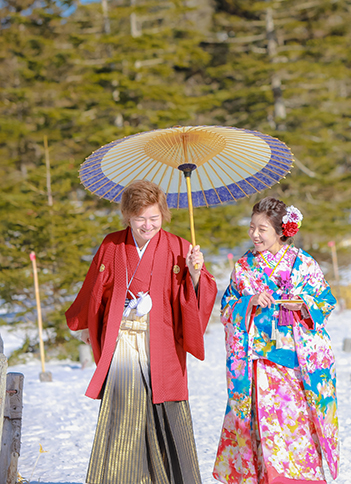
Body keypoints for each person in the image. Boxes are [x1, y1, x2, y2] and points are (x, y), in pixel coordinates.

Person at [66, 179, 218, 484]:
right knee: (124, 411)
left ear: (163, 214)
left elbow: (198, 297)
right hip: (124, 340)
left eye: (154, 218)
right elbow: (95, 291)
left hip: (161, 342)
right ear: (127, 216)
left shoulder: (180, 247)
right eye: (140, 219)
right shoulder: (112, 245)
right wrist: (87, 322)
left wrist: (196, 273)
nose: (147, 226)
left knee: (167, 409)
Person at [213, 197, 338, 484]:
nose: (254, 235)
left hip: (294, 363)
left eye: (262, 229)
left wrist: (303, 303)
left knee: (297, 427)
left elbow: (326, 301)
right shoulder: (243, 267)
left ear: (282, 231)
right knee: (264, 431)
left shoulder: (303, 264)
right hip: (257, 363)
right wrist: (249, 301)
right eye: (251, 227)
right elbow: (227, 308)